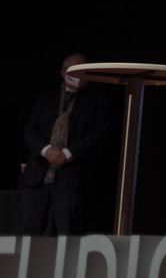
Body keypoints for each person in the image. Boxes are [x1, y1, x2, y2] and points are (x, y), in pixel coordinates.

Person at [19, 53, 116, 235]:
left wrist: (68, 153)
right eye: (74, 71)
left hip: (72, 178)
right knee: (30, 232)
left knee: (67, 232)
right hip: (38, 174)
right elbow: (30, 131)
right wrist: (47, 150)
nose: (79, 76)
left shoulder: (98, 100)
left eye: (83, 72)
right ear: (63, 73)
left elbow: (100, 134)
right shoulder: (46, 99)